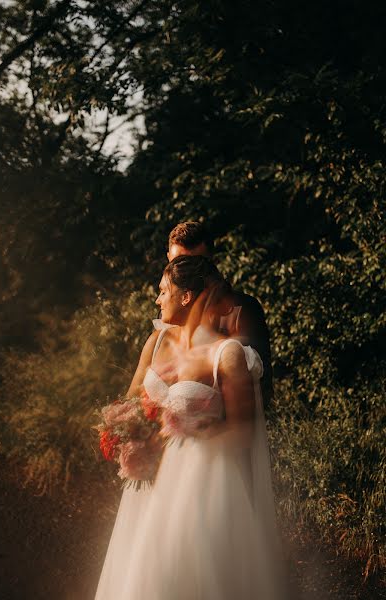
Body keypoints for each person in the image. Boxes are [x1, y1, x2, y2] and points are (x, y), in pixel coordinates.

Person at [95, 255, 284, 600]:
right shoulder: (161, 345)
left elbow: (245, 432)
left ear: (185, 297)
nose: (157, 299)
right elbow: (135, 401)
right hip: (158, 487)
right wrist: (132, 432)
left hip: (205, 487)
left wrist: (188, 432)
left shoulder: (227, 353)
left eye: (163, 291)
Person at [166, 221, 274, 408]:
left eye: (197, 263)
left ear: (212, 261)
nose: (187, 273)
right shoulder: (165, 313)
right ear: (168, 258)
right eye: (179, 263)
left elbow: (262, 384)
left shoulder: (243, 309)